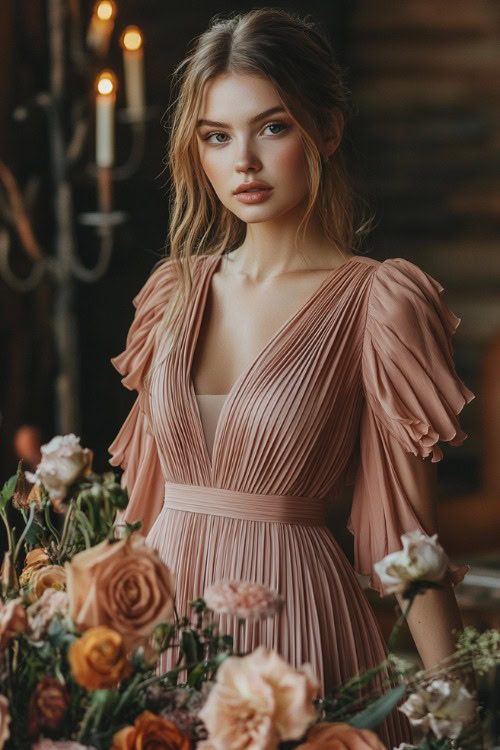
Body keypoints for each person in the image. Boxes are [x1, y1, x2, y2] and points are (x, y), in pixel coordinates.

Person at [108, 9, 475, 747]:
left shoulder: (379, 302)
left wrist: (460, 702)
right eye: (217, 136)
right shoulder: (171, 293)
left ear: (327, 132)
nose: (242, 161)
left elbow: (406, 537)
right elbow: (136, 515)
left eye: (270, 128)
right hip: (160, 631)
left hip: (295, 624)